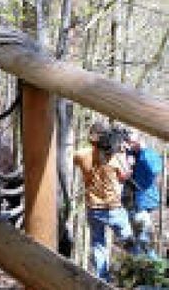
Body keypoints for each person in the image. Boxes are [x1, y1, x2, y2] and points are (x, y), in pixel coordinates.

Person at [74, 120, 134, 281]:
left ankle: (103, 280)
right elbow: (125, 175)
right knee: (130, 243)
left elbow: (77, 158)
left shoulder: (81, 155)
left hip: (94, 210)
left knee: (98, 245)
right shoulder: (116, 157)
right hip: (114, 208)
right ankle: (139, 273)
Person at [125, 131, 162, 257]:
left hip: (144, 201)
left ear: (138, 142)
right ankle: (139, 265)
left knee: (143, 237)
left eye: (131, 143)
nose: (129, 146)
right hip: (132, 201)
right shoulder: (132, 153)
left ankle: (155, 267)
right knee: (134, 237)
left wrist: (143, 151)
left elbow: (155, 169)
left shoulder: (149, 154)